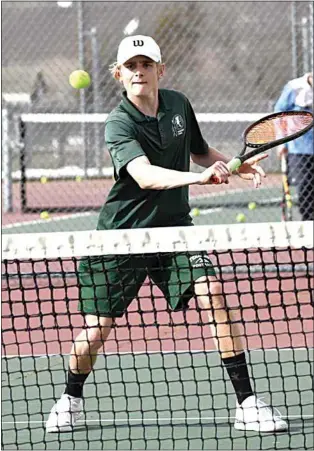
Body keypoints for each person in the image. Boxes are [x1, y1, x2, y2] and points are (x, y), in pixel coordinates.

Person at [46, 35, 287, 433]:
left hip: (175, 230)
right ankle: (70, 398)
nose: (139, 71)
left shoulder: (178, 103)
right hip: (122, 235)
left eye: (146, 64)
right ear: (119, 74)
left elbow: (200, 151)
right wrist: (200, 178)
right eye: (131, 66)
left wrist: (233, 165)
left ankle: (247, 403)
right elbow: (144, 175)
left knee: (215, 294)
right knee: (98, 327)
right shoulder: (118, 123)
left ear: (161, 69)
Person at [274, 72, 313, 221]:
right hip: (299, 149)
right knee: (305, 186)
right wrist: (281, 141)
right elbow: (279, 114)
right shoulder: (294, 88)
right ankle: (308, 222)